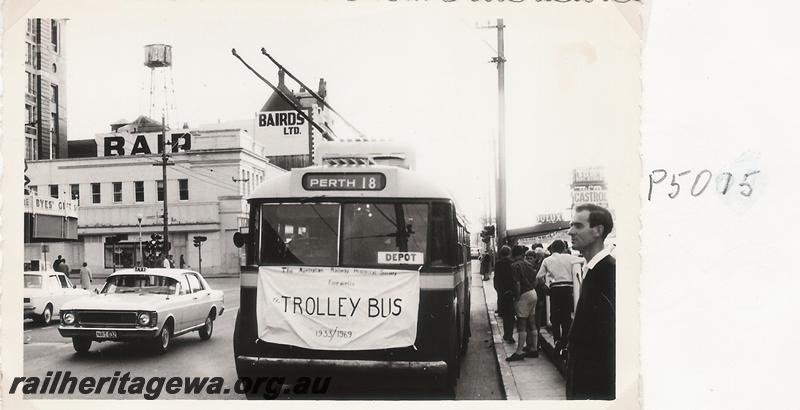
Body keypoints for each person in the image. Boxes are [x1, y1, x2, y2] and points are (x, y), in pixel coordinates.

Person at [565, 204, 615, 400]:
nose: (570, 231)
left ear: (598, 231)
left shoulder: (609, 273)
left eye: (578, 226)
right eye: (571, 225)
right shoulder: (592, 269)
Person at [536, 239, 582, 348]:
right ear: (564, 248)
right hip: (568, 289)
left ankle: (557, 340)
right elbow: (583, 260)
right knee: (566, 316)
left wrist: (544, 287)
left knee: (555, 316)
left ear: (552, 249)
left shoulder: (547, 260)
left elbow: (539, 277)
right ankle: (565, 341)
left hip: (555, 289)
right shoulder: (570, 258)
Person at [506, 247, 539, 361]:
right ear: (523, 254)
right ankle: (534, 349)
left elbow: (517, 283)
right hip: (533, 293)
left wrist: (517, 297)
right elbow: (535, 280)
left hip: (523, 295)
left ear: (512, 254)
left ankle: (519, 351)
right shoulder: (529, 265)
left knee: (522, 323)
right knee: (532, 321)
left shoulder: (515, 266)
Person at [492, 245, 516, 343]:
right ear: (509, 253)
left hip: (502, 292)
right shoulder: (512, 263)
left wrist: (499, 290)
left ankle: (507, 334)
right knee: (511, 314)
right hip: (511, 292)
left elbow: (496, 279)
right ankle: (510, 334)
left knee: (506, 315)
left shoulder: (498, 264)